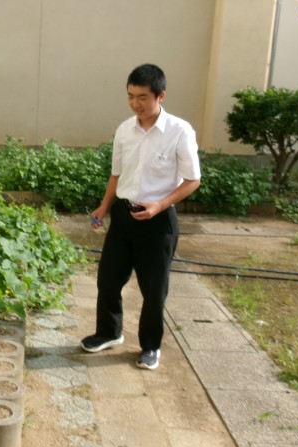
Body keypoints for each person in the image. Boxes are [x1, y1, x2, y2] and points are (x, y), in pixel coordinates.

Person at [81, 64, 201, 369]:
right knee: (108, 279)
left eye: (143, 97)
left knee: (153, 289)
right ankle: (109, 332)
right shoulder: (125, 130)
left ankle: (150, 346)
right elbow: (117, 174)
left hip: (158, 221)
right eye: (131, 96)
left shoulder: (179, 131)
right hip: (123, 216)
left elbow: (192, 180)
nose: (136, 103)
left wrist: (160, 205)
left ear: (160, 96)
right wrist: (104, 206)